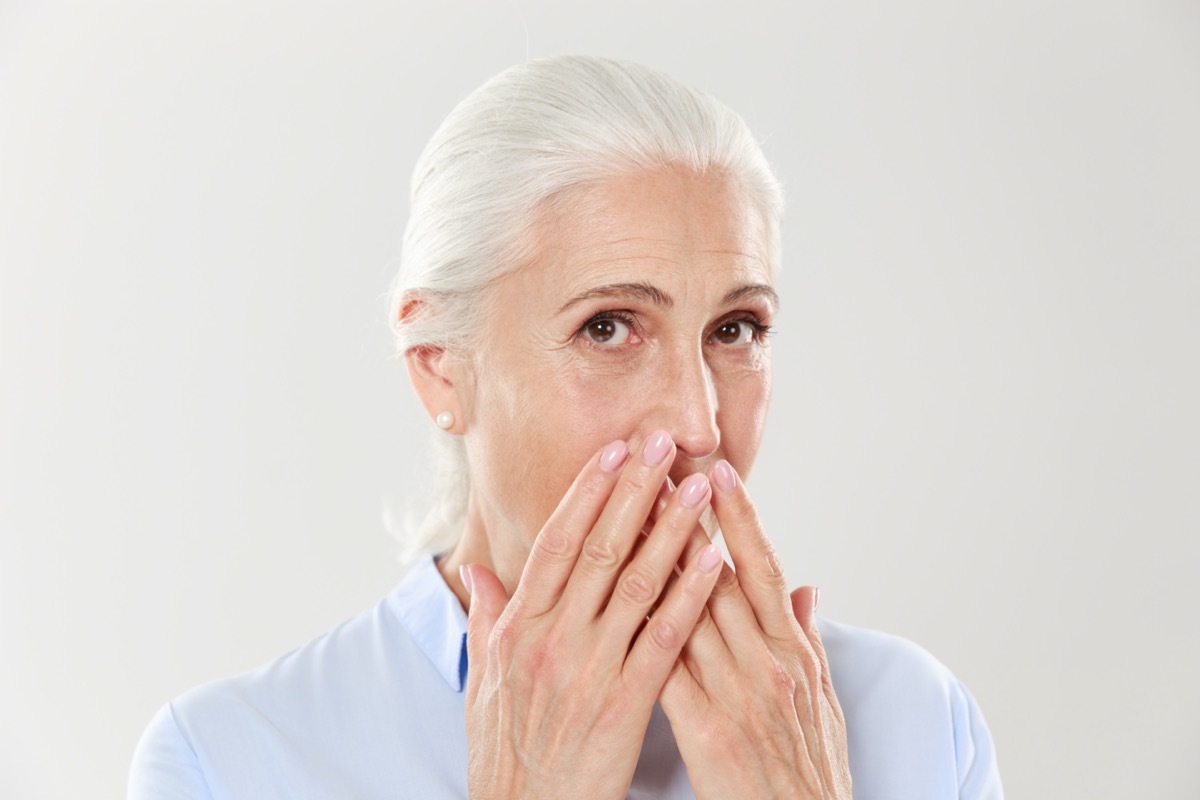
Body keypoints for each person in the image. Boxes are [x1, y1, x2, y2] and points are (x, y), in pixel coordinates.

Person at [129, 55, 1003, 799]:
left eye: (736, 330)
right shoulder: (230, 762)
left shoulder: (918, 722)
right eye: (609, 327)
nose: (698, 427)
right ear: (440, 364)